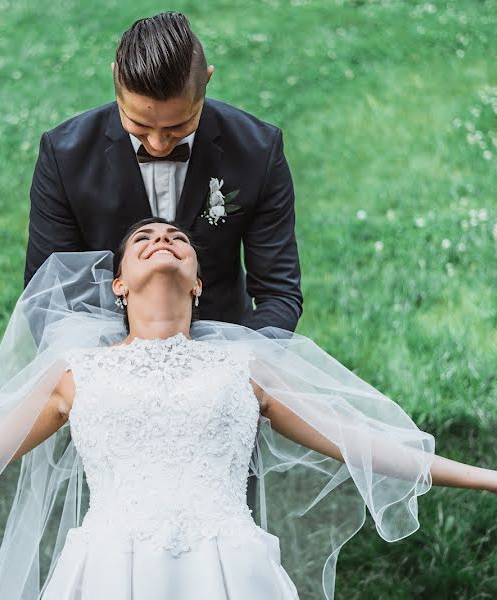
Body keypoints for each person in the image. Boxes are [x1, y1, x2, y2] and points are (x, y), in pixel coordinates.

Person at [0, 219, 497, 600]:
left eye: (177, 240)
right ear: (119, 287)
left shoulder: (245, 364)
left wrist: (490, 476)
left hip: (226, 568)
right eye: (142, 241)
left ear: (198, 282)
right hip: (106, 571)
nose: (161, 238)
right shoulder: (75, 370)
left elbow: (356, 442)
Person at [26, 10, 303, 514]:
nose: (157, 143)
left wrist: (236, 375)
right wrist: (117, 374)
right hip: (115, 382)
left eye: (178, 127)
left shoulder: (258, 150)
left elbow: (279, 292)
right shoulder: (65, 155)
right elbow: (48, 298)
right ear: (116, 79)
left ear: (208, 84)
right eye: (139, 126)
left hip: (219, 387)